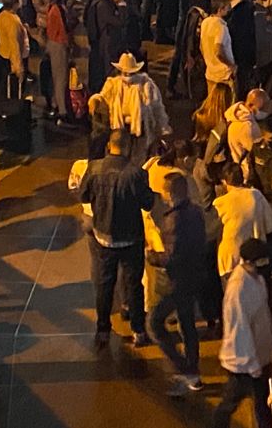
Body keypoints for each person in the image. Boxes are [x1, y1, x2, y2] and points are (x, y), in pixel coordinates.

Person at [77, 131, 155, 346]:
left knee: (105, 284)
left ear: (109, 146)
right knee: (133, 285)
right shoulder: (136, 174)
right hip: (131, 238)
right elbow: (148, 203)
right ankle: (138, 330)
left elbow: (83, 195)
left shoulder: (94, 169)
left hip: (103, 235)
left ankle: (103, 329)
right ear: (128, 147)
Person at [148, 170, 209, 396]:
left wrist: (152, 256)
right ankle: (194, 374)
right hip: (194, 276)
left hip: (177, 281)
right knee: (187, 325)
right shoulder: (195, 212)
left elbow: (171, 257)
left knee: (154, 323)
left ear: (168, 193)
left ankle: (185, 369)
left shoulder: (174, 219)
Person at [213, 239, 272, 428]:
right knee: (233, 403)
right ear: (249, 261)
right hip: (244, 364)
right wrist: (253, 365)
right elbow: (239, 329)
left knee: (262, 404)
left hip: (258, 357)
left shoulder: (255, 278)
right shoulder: (239, 288)